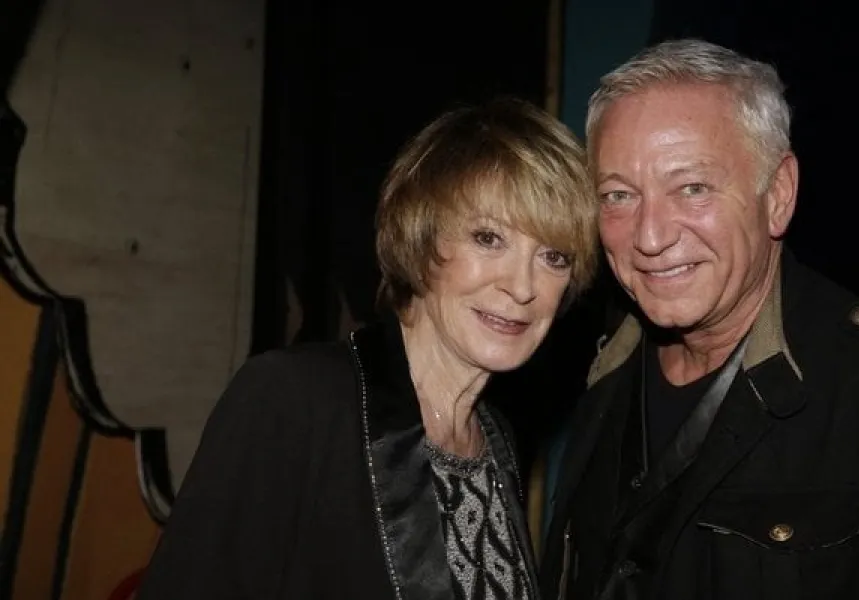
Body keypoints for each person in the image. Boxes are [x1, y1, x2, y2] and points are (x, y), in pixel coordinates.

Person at [538, 39, 859, 599]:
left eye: (692, 188)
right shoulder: (593, 355)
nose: (649, 236)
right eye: (618, 195)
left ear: (779, 194)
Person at [137, 97, 598, 600]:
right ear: (421, 239)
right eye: (489, 238)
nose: (524, 286)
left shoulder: (495, 438)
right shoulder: (295, 399)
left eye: (553, 256)